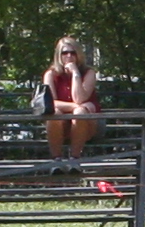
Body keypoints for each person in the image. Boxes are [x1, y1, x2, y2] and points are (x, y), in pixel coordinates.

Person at [40, 35, 101, 163]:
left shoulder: (89, 73)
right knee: (55, 113)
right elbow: (51, 103)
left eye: (73, 53)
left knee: (80, 113)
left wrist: (75, 74)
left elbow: (79, 98)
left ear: (78, 54)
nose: (69, 56)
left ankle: (75, 159)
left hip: (86, 125)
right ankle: (56, 160)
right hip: (59, 126)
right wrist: (76, 106)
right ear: (59, 55)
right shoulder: (50, 74)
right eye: (64, 53)